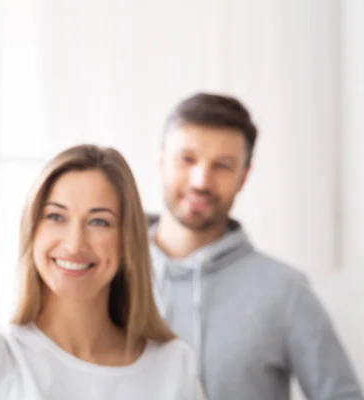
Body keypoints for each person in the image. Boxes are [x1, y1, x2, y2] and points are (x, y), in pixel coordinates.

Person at [0, 81, 206, 400]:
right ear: (32, 231)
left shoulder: (173, 366)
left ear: (127, 239)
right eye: (56, 216)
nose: (75, 244)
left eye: (99, 221)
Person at [148, 92, 363, 400]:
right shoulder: (111, 273)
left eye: (222, 165)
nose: (201, 181)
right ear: (161, 162)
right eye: (187, 159)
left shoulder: (286, 291)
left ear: (243, 177)